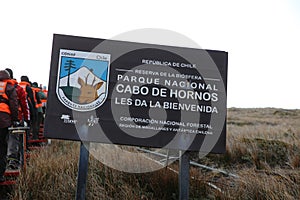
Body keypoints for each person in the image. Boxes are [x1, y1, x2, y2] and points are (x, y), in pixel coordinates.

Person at [5, 68, 30, 170]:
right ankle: (12, 160)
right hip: (15, 118)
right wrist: (27, 119)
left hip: (4, 118)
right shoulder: (18, 88)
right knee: (14, 139)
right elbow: (25, 105)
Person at [0, 69, 19, 182]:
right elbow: (14, 104)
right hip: (3, 120)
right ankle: (0, 175)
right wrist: (15, 119)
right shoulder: (9, 87)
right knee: (2, 147)